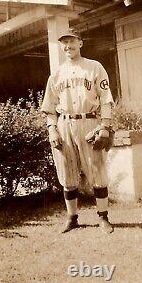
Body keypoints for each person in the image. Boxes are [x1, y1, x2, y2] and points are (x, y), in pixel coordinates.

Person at [41, 29, 114, 234]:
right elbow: (49, 108)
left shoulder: (94, 67)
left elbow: (106, 99)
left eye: (72, 41)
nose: (68, 46)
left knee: (97, 169)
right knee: (67, 172)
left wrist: (106, 127)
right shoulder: (56, 74)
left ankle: (103, 218)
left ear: (80, 43)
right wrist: (52, 130)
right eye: (64, 42)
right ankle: (72, 218)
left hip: (89, 123)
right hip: (64, 125)